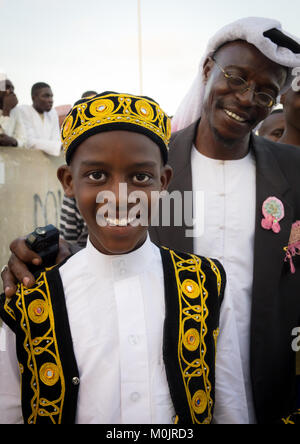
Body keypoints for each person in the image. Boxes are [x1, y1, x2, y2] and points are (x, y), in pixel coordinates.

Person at [2, 17, 300, 424]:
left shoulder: (294, 171)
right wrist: (50, 262)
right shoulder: (148, 154)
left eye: (266, 92)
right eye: (236, 76)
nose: (248, 98)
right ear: (208, 69)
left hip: (273, 388)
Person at [0, 91, 226, 424]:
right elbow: (9, 410)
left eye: (140, 177)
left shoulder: (205, 282)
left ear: (162, 182)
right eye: (97, 176)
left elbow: (228, 403)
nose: (119, 197)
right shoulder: (28, 298)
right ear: (68, 181)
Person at [19, 82, 61, 156]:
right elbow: (29, 141)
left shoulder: (52, 113)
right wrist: (57, 146)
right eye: (46, 96)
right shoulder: (23, 111)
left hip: (51, 159)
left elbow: (56, 139)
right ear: (33, 98)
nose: (51, 100)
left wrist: (56, 146)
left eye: (51, 96)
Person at [0, 79, 26, 148]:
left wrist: (14, 142)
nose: (11, 91)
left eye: (12, 88)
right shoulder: (8, 109)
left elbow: (23, 139)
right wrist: (6, 112)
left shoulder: (15, 111)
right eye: (6, 87)